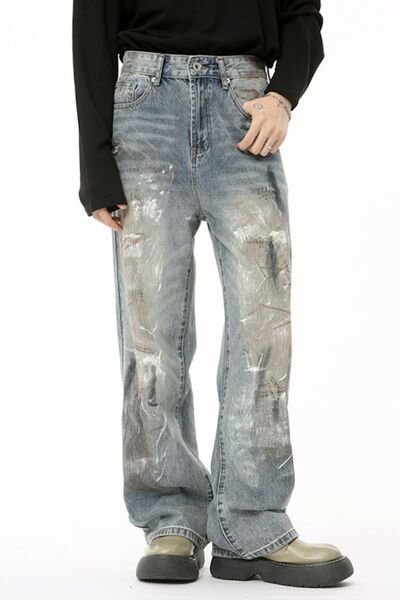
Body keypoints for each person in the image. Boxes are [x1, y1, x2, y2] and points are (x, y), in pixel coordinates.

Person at [72, 0, 354, 587]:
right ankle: (170, 517)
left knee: (263, 331)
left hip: (244, 110)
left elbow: (302, 13)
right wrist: (95, 161)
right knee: (151, 336)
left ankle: (250, 524)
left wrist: (283, 94)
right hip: (145, 109)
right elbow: (92, 23)